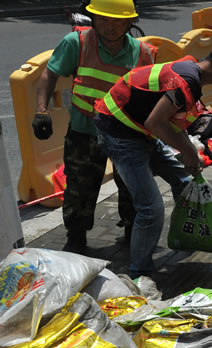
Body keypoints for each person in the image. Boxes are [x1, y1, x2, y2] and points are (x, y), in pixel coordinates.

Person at [94, 36, 212, 278]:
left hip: (140, 131)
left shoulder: (190, 71)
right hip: (121, 135)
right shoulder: (187, 81)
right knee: (150, 208)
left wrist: (190, 153)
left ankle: (189, 236)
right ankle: (140, 273)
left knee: (184, 181)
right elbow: (156, 122)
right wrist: (190, 153)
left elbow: (171, 121)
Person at [32, 0, 156, 254]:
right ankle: (76, 238)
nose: (110, 27)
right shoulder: (76, 43)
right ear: (94, 18)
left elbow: (149, 95)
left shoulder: (143, 53)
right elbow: (50, 74)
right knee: (79, 188)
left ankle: (133, 233)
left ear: (129, 22)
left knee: (133, 187)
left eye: (118, 21)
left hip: (126, 135)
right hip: (84, 132)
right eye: (104, 20)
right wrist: (41, 111)